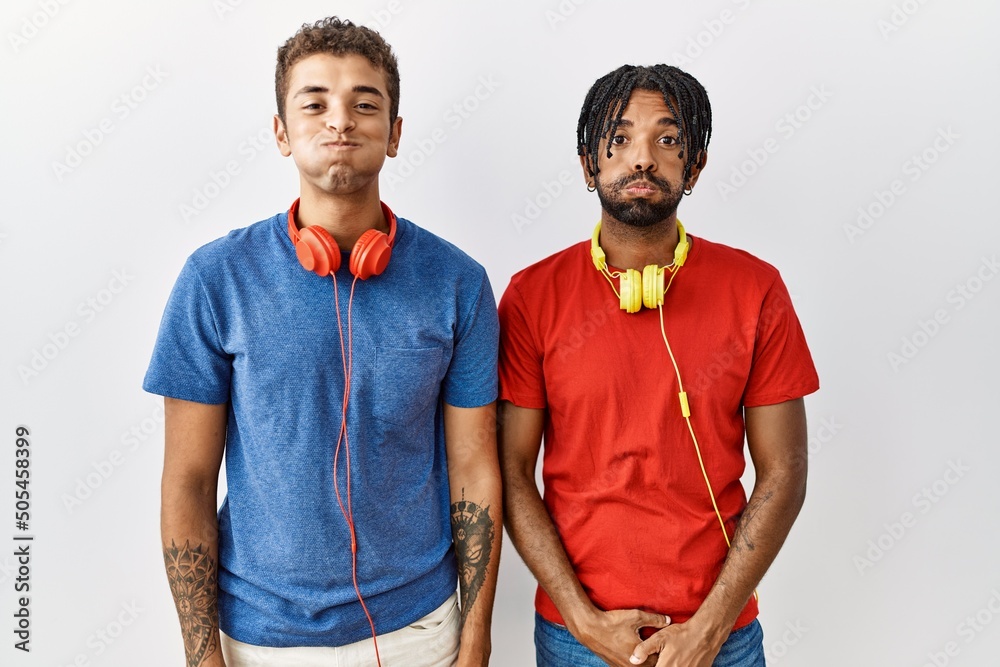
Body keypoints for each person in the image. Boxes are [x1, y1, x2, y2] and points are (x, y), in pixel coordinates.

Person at [144, 17, 501, 667]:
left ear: (394, 133)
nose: (341, 120)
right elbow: (188, 481)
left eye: (366, 103)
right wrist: (202, 656)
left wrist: (476, 641)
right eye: (315, 102)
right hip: (259, 639)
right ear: (281, 132)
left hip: (419, 631)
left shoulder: (459, 283)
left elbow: (475, 469)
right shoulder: (213, 279)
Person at [497, 64, 819, 667]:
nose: (640, 159)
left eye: (667, 140)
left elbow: (785, 474)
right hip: (577, 640)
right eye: (618, 139)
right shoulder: (530, 295)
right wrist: (583, 618)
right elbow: (511, 471)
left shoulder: (757, 290)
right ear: (588, 161)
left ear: (693, 166)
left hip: (721, 639)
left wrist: (708, 627)